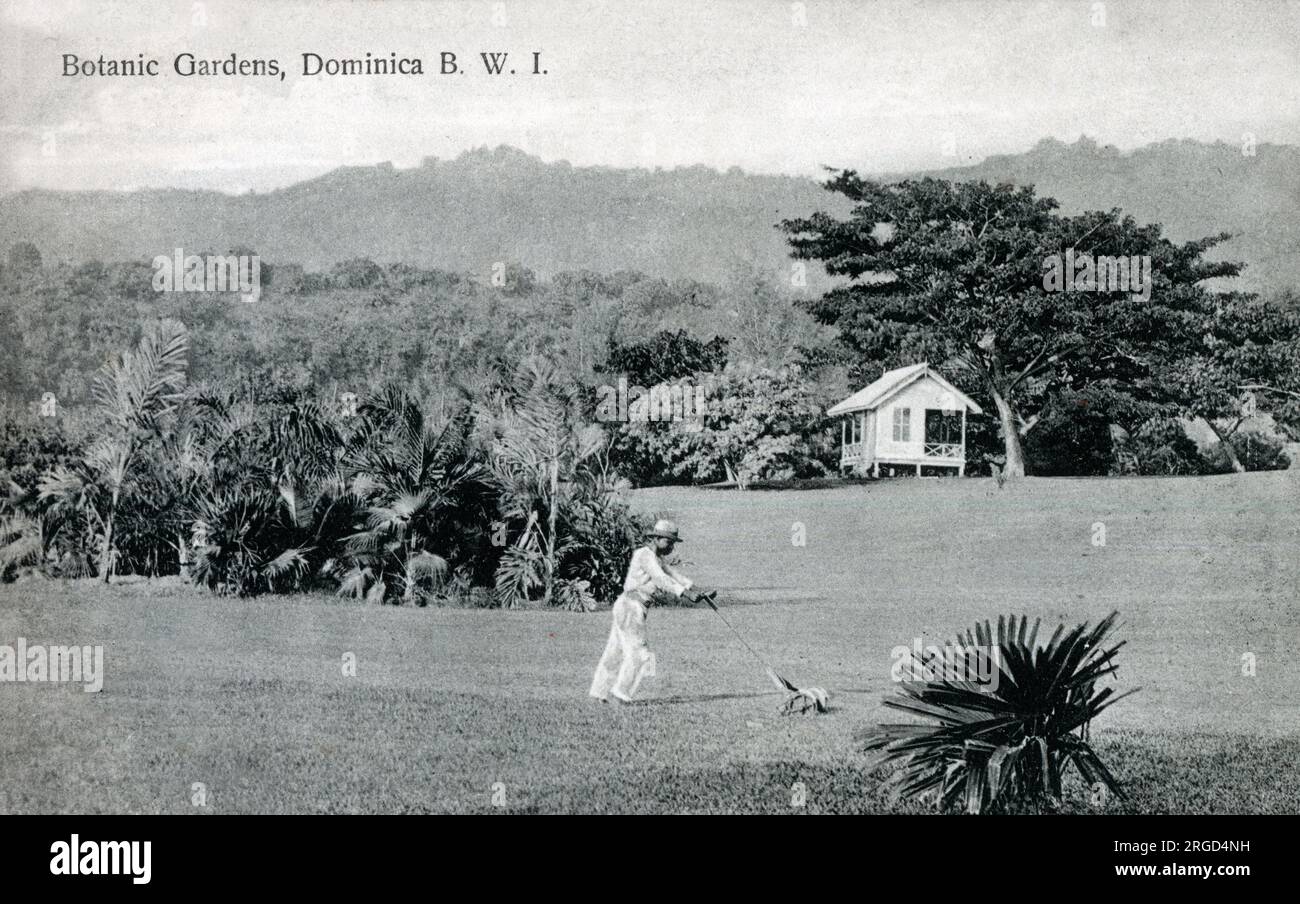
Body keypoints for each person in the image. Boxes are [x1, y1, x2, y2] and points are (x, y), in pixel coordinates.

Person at [589, 519, 703, 703]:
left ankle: (598, 693)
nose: (671, 547)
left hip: (631, 606)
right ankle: (620, 693)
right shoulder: (644, 555)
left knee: (615, 651)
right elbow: (660, 579)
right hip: (631, 606)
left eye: (672, 543)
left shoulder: (656, 558)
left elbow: (673, 574)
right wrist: (685, 594)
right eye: (668, 542)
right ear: (657, 539)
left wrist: (695, 589)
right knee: (639, 653)